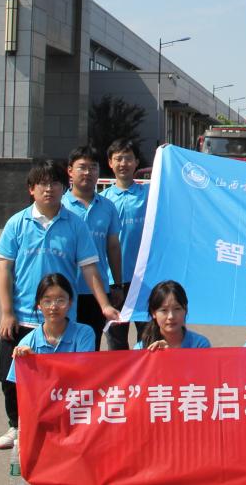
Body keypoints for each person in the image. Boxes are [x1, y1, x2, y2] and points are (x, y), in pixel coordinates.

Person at [0, 159, 119, 451]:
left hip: (61, 319)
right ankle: (16, 426)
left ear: (64, 187)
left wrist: (104, 305)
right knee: (9, 375)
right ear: (31, 189)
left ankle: (61, 426)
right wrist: (7, 312)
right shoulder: (17, 223)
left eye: (54, 183)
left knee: (64, 378)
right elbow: (4, 269)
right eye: (42, 184)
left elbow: (89, 268)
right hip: (22, 317)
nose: (48, 189)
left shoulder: (75, 225)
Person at [62, 144, 123, 351]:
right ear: (70, 170)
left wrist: (117, 285)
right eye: (82, 167)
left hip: (97, 291)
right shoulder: (60, 206)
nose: (88, 172)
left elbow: (113, 247)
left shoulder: (107, 207)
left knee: (90, 347)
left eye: (93, 167)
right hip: (64, 290)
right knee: (62, 347)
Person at [6, 273, 98, 382]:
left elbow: (84, 371)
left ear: (70, 303)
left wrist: (37, 360)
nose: (53, 307)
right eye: (47, 301)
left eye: (60, 300)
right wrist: (23, 357)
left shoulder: (85, 333)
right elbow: (22, 386)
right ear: (39, 305)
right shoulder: (27, 343)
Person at [102, 139, 149, 351]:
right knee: (116, 340)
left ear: (137, 162)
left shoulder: (149, 195)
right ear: (110, 163)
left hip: (144, 280)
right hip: (113, 281)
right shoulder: (102, 200)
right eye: (118, 159)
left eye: (128, 158)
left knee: (147, 338)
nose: (123, 163)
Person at [134, 280, 211, 350]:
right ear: (153, 313)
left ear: (185, 309)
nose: (171, 316)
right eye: (164, 310)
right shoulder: (141, 349)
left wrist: (170, 355)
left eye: (177, 309)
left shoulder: (200, 345)